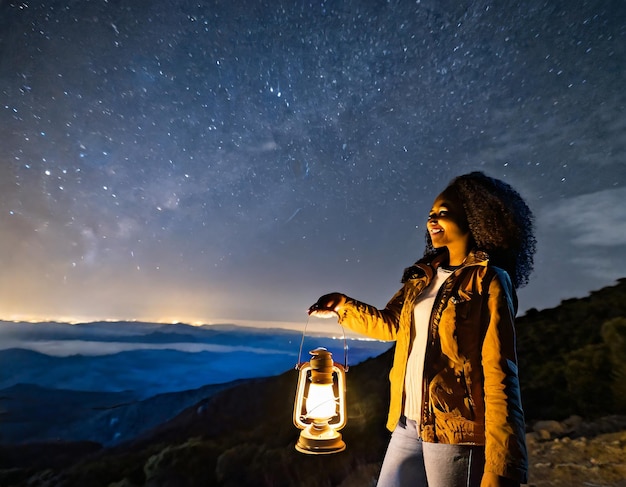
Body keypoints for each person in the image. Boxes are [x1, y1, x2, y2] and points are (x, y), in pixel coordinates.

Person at [308, 172, 536, 487]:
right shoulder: (421, 278)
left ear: (474, 218)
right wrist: (342, 306)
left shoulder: (489, 280)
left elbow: (500, 373)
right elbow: (391, 324)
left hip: (456, 430)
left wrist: (501, 465)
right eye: (431, 214)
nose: (432, 220)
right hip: (407, 422)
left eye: (444, 212)